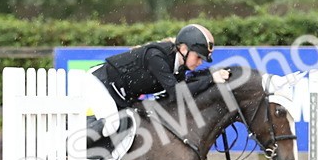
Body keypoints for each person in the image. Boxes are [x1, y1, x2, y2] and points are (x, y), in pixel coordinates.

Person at [87, 23, 230, 139]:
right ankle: (69, 152)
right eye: (198, 57)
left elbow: (185, 90)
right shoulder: (156, 57)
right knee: (112, 125)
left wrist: (210, 77)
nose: (200, 62)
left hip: (119, 95)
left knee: (131, 129)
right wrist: (211, 79)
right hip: (98, 83)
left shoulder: (179, 67)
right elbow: (177, 93)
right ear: (184, 49)